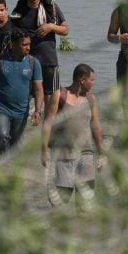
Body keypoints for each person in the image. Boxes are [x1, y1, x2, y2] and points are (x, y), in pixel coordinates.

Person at [42, 63, 104, 208]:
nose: (94, 83)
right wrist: (44, 150)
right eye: (92, 80)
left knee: (85, 201)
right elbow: (47, 124)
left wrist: (102, 154)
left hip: (86, 155)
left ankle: (84, 228)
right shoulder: (59, 95)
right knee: (60, 202)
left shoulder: (91, 99)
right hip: (63, 155)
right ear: (82, 80)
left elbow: (96, 126)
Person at [0, 29, 44, 156]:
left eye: (29, 44)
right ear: (13, 44)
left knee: (17, 145)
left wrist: (38, 110)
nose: (28, 48)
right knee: (3, 136)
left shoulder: (33, 63)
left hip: (21, 111)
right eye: (24, 45)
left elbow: (38, 89)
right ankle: (3, 167)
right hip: (1, 108)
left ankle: (13, 172)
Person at [12, 0, 69, 104]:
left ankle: (48, 124)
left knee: (51, 96)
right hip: (27, 61)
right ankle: (28, 123)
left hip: (49, 60)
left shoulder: (51, 7)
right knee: (26, 96)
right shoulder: (19, 11)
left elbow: (65, 30)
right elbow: (12, 36)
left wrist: (51, 27)